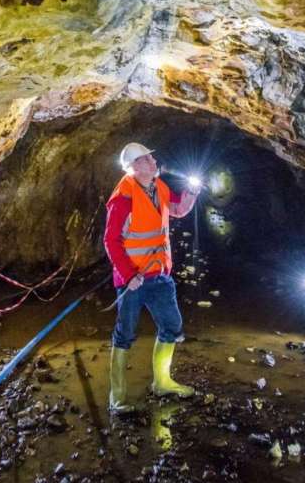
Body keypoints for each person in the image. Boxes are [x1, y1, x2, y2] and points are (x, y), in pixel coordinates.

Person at [104, 142, 199, 413]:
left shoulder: (159, 187)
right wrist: (128, 274)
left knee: (172, 326)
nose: (153, 162)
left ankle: (162, 382)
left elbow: (177, 210)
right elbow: (111, 240)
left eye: (151, 158)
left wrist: (191, 194)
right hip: (133, 279)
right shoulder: (123, 198)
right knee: (124, 334)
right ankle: (117, 397)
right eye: (146, 159)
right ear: (134, 167)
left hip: (159, 273)